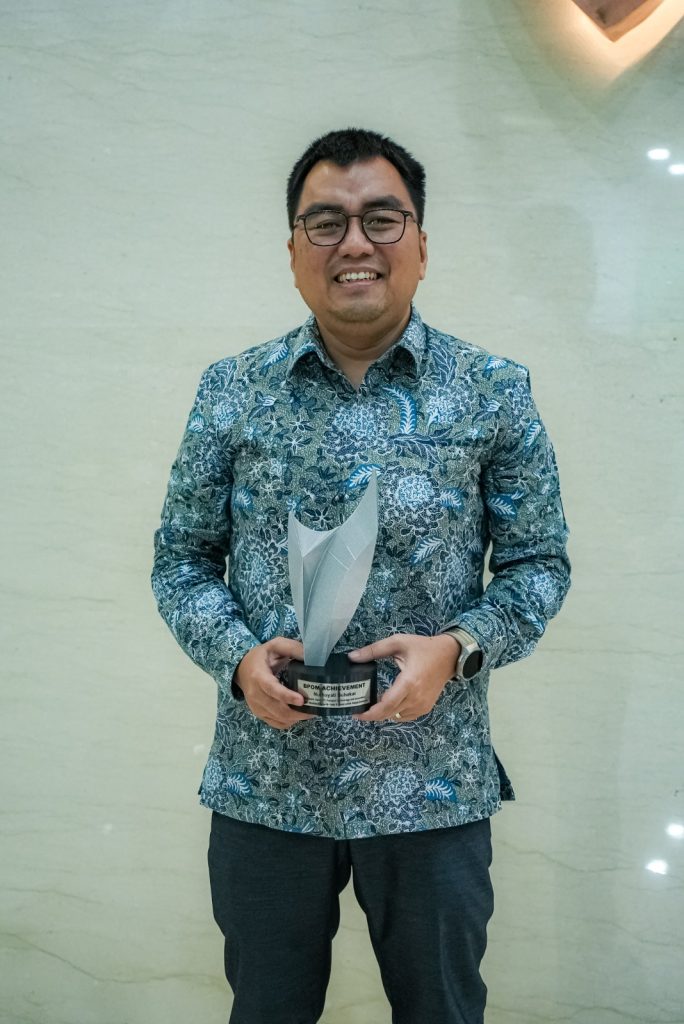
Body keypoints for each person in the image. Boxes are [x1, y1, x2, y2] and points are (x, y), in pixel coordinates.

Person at [151, 127, 570, 1024]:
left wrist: (458, 649)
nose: (355, 243)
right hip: (265, 782)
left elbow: (538, 565)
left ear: (421, 244)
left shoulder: (493, 390)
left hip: (432, 785)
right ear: (293, 250)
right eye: (326, 222)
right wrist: (236, 658)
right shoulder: (232, 389)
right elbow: (181, 558)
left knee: (443, 1011)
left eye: (383, 219)